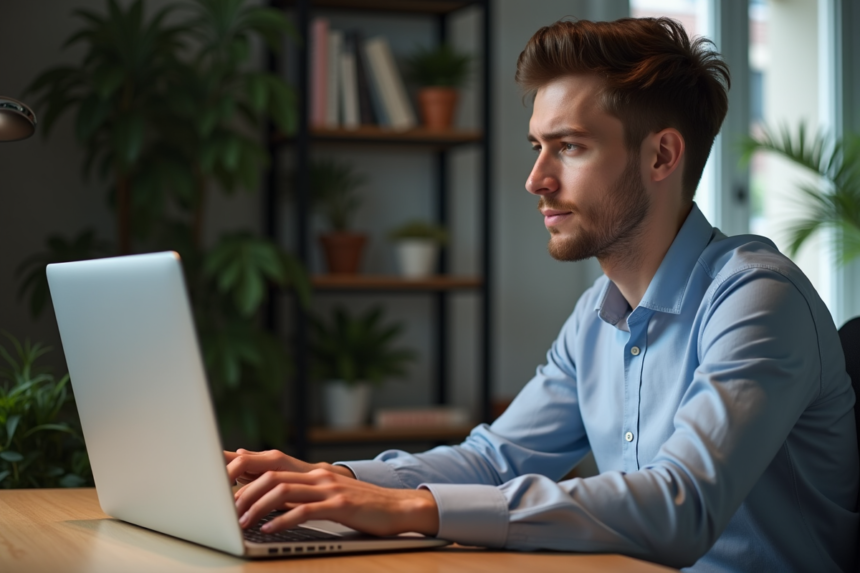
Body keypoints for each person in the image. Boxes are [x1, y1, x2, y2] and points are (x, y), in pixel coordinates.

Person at [225, 18, 859, 571]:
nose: (536, 179)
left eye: (570, 147)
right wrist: (330, 481)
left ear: (662, 155)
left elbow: (681, 507)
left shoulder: (757, 299)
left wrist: (411, 509)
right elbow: (494, 459)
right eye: (538, 147)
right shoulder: (598, 315)